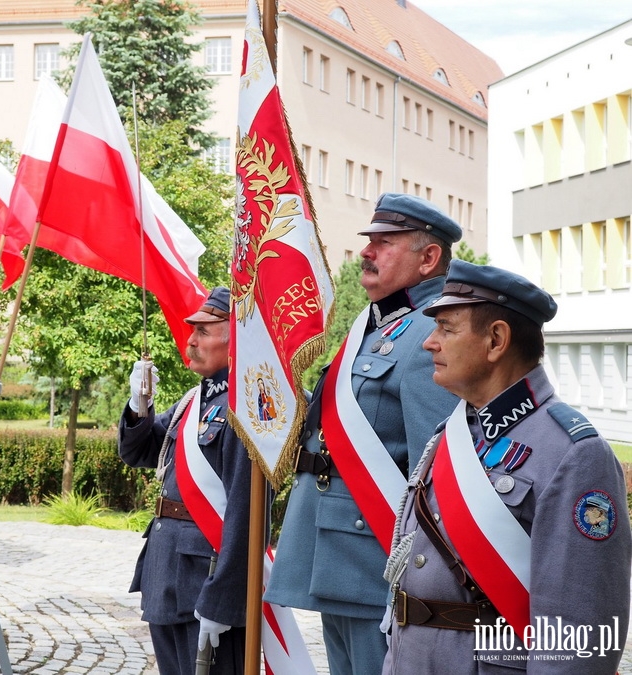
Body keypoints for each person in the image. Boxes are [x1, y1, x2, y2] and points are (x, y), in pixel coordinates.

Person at [382, 261, 631, 673]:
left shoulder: (573, 453)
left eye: (446, 327)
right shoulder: (455, 432)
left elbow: (577, 629)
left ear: (496, 339)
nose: (429, 343)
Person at [264, 193, 463, 674]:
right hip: (336, 556)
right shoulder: (373, 328)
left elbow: (435, 473)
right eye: (369, 242)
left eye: (385, 242)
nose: (368, 252)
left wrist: (424, 579)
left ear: (428, 258)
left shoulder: (430, 334)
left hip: (373, 561)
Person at [118, 287, 256, 675]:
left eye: (205, 331)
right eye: (192, 330)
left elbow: (245, 513)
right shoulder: (193, 401)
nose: (191, 341)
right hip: (166, 574)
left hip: (205, 580)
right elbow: (139, 452)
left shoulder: (245, 408)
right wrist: (138, 406)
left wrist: (224, 598)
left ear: (235, 342)